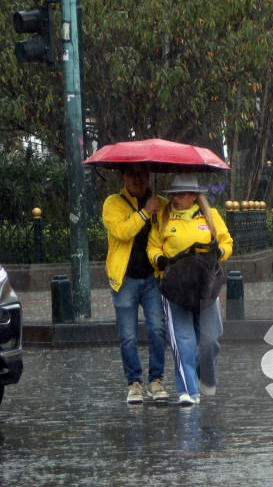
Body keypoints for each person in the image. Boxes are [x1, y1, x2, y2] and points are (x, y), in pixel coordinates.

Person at [147, 173, 233, 406]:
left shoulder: (210, 216)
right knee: (183, 340)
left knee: (211, 339)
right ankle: (188, 391)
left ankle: (203, 372)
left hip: (205, 286)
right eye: (173, 195)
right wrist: (161, 260)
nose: (175, 199)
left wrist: (219, 252)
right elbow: (153, 247)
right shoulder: (163, 218)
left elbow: (227, 241)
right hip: (176, 287)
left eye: (181, 194)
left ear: (194, 196)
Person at [102, 164, 169, 404]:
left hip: (152, 277)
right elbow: (121, 231)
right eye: (132, 174)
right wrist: (143, 213)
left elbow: (166, 234)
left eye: (142, 174)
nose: (138, 179)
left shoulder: (158, 202)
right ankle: (134, 383)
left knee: (157, 329)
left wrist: (156, 213)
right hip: (125, 279)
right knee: (128, 335)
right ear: (122, 177)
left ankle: (156, 380)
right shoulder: (113, 203)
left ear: (149, 175)